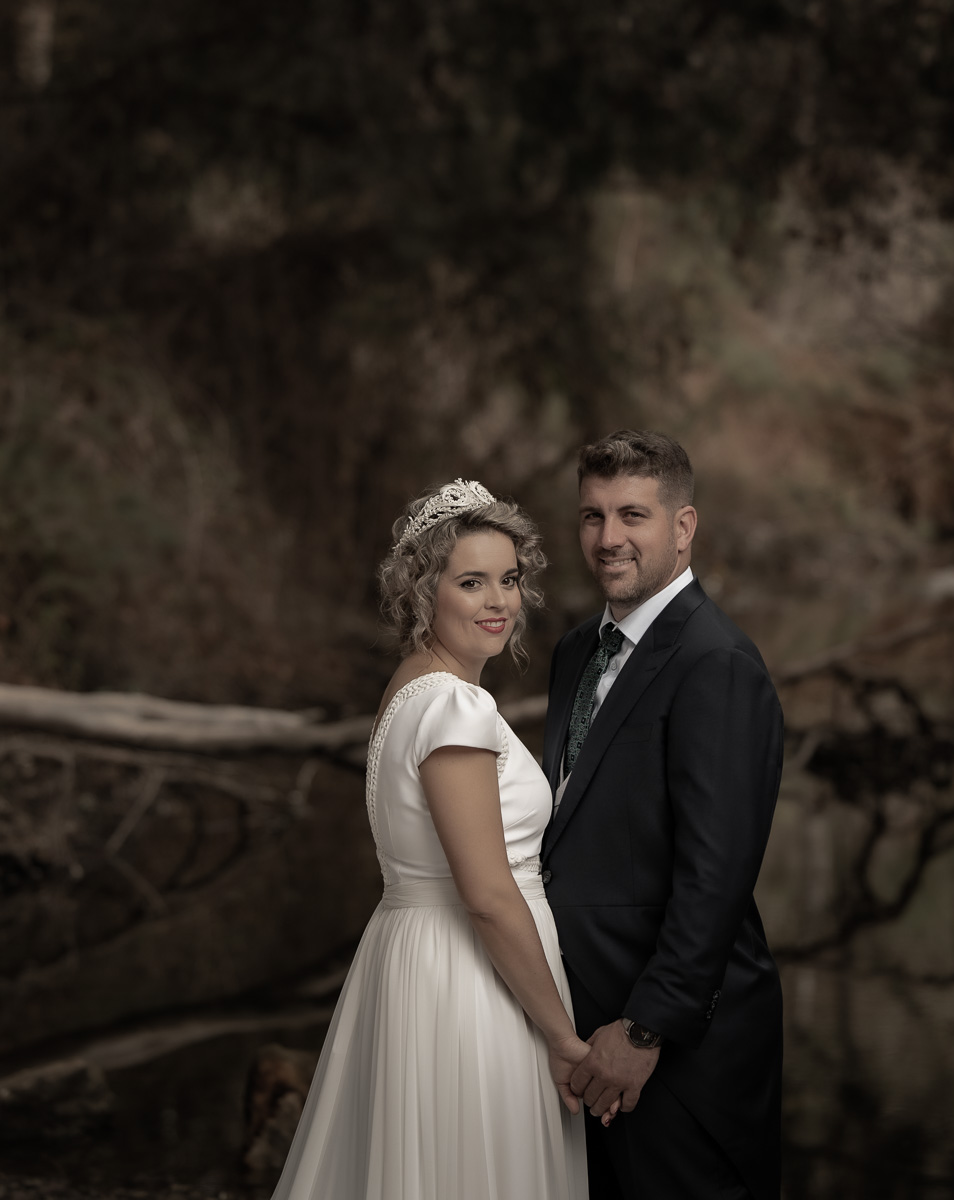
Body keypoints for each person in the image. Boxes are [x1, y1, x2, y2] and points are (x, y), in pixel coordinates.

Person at [272, 478, 608, 1200]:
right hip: (471, 985)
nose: (499, 601)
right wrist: (561, 1039)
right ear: (424, 592)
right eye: (472, 582)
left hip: (418, 959)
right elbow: (486, 894)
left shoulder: (413, 688)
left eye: (510, 580)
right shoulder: (454, 707)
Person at [542, 431, 786, 1200]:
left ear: (682, 529)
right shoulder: (577, 652)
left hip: (678, 1054)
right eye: (592, 516)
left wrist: (646, 1029)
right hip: (581, 1035)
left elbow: (715, 877)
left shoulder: (717, 664)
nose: (608, 538)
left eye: (633, 516)